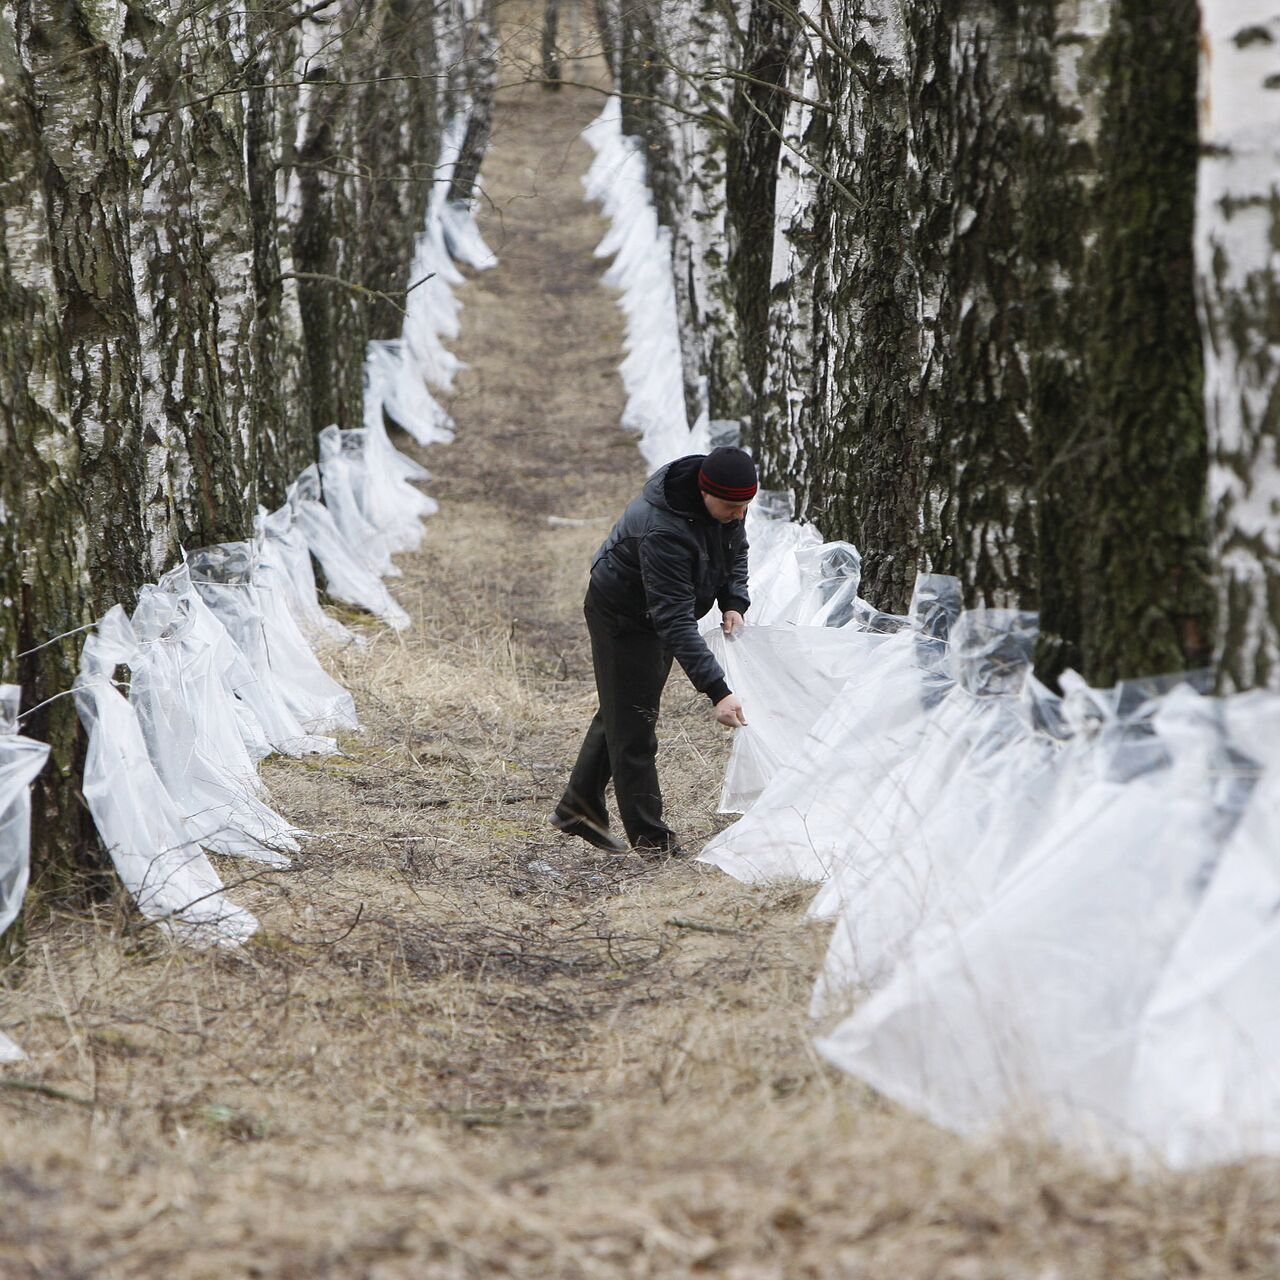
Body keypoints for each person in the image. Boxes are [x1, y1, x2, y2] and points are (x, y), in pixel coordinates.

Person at [552, 446, 757, 857]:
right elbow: (674, 620)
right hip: (623, 615)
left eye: (745, 506)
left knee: (625, 708)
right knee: (636, 726)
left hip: (657, 612)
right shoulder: (664, 529)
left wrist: (733, 599)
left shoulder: (728, 503)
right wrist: (718, 690)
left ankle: (579, 806)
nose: (740, 514)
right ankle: (652, 842)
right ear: (704, 493)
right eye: (733, 506)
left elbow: (735, 550)